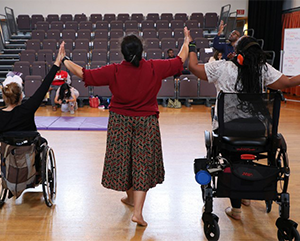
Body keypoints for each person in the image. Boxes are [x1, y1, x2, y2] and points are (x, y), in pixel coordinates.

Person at [61, 27, 190, 226]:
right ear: (141, 52)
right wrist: (186, 41)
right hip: (146, 121)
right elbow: (181, 59)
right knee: (142, 163)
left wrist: (65, 59)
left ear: (123, 53)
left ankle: (132, 200)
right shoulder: (154, 67)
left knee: (125, 160)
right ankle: (136, 209)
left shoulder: (114, 70)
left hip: (119, 121)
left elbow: (84, 74)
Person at [188, 35, 300, 220]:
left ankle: (237, 209)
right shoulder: (262, 70)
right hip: (258, 131)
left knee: (231, 157)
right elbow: (288, 83)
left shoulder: (222, 67)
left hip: (228, 131)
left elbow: (193, 67)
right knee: (248, 156)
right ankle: (247, 193)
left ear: (238, 54)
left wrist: (191, 45)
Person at [0, 43, 64, 132]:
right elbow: (44, 86)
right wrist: (57, 62)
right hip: (27, 145)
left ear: (4, 97)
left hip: (7, 146)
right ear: (21, 96)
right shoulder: (27, 109)